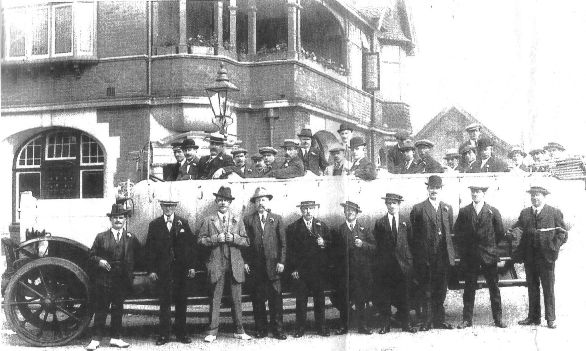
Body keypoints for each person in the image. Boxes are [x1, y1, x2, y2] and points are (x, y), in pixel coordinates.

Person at [509, 185, 568, 329]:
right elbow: (517, 227)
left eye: (538, 195)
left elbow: (562, 233)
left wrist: (554, 247)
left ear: (544, 197)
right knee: (532, 287)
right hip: (530, 257)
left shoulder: (554, 213)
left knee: (548, 288)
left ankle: (550, 319)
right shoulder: (525, 213)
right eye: (533, 195)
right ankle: (533, 317)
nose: (535, 198)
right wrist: (510, 232)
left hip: (546, 257)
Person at [198, 186, 251, 342]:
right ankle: (212, 332)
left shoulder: (237, 219)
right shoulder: (208, 220)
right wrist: (215, 239)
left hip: (235, 264)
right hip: (216, 264)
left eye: (226, 200)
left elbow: (247, 241)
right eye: (220, 200)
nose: (223, 203)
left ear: (230, 203)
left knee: (237, 299)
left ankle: (239, 330)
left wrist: (234, 238)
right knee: (215, 298)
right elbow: (199, 241)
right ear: (216, 201)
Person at [86, 204, 139, 350]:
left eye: (121, 218)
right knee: (101, 309)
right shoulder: (101, 237)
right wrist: (100, 261)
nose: (118, 220)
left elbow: (140, 256)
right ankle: (96, 339)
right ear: (111, 220)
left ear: (125, 220)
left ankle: (116, 338)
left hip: (121, 279)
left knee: (118, 310)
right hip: (104, 279)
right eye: (115, 218)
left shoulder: (131, 238)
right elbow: (91, 256)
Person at [454, 185, 507, 329]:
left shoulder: (492, 211)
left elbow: (500, 232)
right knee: (469, 288)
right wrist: (466, 250)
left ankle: (498, 319)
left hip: (488, 256)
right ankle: (466, 320)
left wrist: (490, 247)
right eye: (473, 192)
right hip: (470, 257)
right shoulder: (465, 211)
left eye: (478, 192)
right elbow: (457, 232)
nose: (475, 194)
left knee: (494, 288)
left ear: (483, 194)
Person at [145, 200, 197, 345]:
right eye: (165, 206)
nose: (168, 208)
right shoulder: (154, 225)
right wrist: (151, 270)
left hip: (180, 271)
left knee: (182, 302)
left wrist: (192, 266)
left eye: (171, 206)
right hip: (163, 271)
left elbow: (191, 246)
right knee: (164, 303)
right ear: (161, 207)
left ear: (175, 207)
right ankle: (164, 335)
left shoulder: (183, 223)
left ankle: (182, 333)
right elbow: (149, 249)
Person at [410, 175, 455, 331]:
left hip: (443, 257)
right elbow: (413, 236)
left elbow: (450, 232)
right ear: (427, 189)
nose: (434, 190)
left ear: (441, 189)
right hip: (426, 257)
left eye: (437, 188)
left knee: (441, 289)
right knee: (427, 289)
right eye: (431, 187)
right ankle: (427, 321)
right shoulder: (418, 208)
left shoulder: (447, 208)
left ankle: (439, 320)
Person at [242, 187, 288, 340]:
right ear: (254, 203)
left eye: (263, 200)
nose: (260, 203)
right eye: (257, 200)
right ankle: (261, 329)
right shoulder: (248, 220)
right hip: (257, 268)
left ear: (268, 201)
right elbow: (245, 243)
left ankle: (278, 330)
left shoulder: (277, 218)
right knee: (258, 300)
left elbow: (283, 244)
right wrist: (246, 262)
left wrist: (281, 262)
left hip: (274, 267)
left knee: (276, 300)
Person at [373, 193, 417, 334]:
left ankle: (406, 324)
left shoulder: (405, 222)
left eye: (395, 203)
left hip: (404, 265)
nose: (392, 205)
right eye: (389, 203)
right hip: (386, 266)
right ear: (386, 204)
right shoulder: (380, 223)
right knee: (385, 296)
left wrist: (409, 262)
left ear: (399, 205)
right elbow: (377, 245)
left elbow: (411, 242)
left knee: (405, 295)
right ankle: (385, 325)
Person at [286, 200, 331, 337]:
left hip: (318, 270)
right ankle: (300, 328)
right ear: (301, 211)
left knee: (319, 300)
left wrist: (324, 243)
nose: (308, 211)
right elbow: (289, 251)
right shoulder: (293, 227)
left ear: (315, 209)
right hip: (301, 271)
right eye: (305, 209)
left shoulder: (322, 226)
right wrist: (293, 269)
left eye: (311, 208)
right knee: (301, 300)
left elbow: (332, 246)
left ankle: (321, 327)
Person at [330, 201, 376, 335]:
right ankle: (343, 326)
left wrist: (363, 244)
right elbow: (333, 251)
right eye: (347, 210)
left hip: (361, 272)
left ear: (356, 213)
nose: (349, 213)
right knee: (344, 300)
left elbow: (374, 248)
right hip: (345, 272)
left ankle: (363, 326)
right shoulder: (339, 230)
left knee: (361, 299)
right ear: (344, 213)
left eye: (352, 211)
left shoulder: (364, 229)